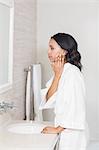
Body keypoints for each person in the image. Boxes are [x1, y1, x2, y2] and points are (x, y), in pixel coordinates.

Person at [39, 33, 89, 150]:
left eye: (52, 48)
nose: (48, 52)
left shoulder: (72, 73)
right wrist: (57, 75)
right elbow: (48, 99)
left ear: (64, 51)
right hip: (65, 132)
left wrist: (57, 129)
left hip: (72, 135)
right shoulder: (61, 71)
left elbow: (76, 108)